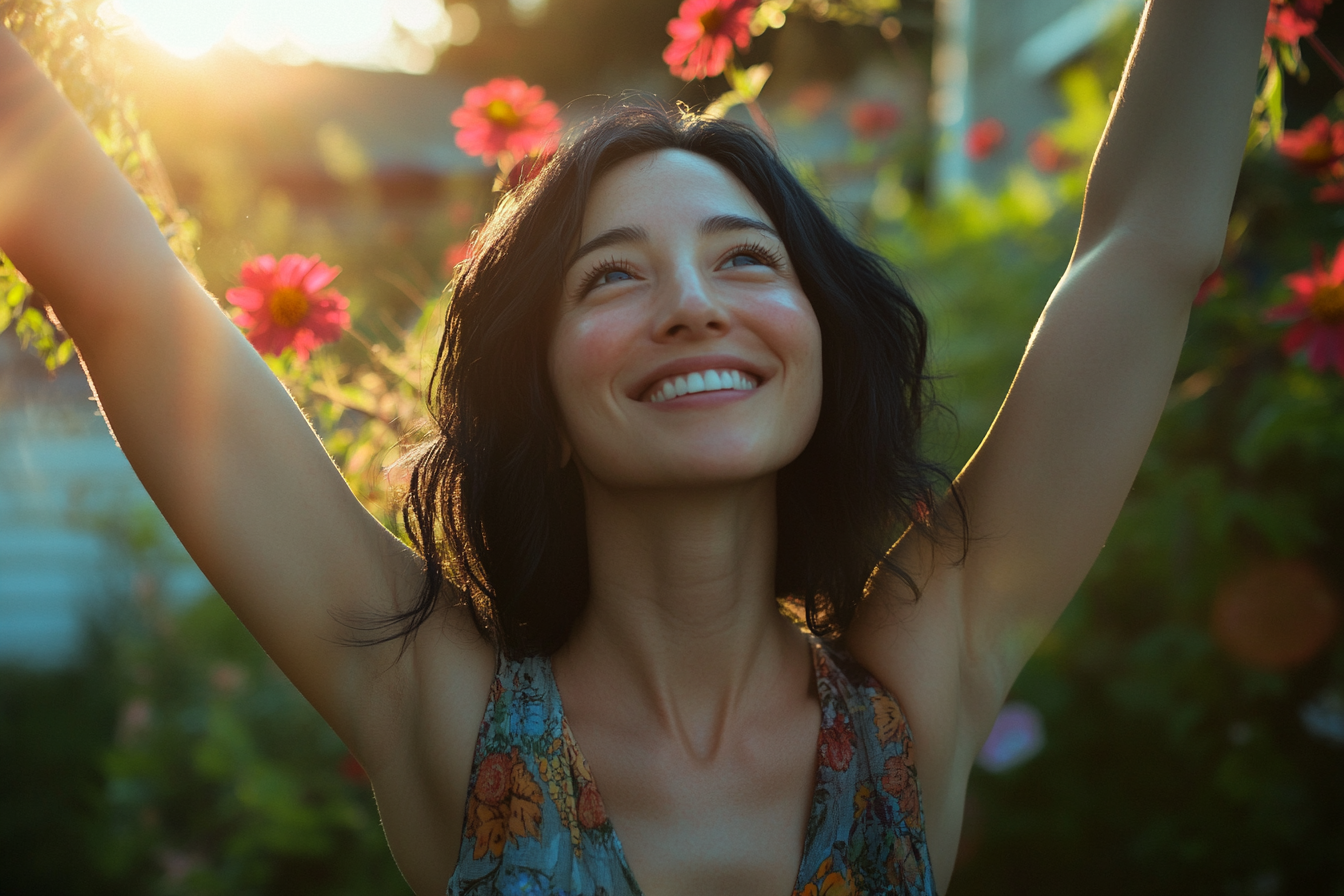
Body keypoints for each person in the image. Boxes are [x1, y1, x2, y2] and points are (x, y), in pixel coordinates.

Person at [0, 1, 1271, 893]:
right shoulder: (442, 706)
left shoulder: (915, 682)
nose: (693, 303)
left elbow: (1145, 247)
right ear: (541, 395)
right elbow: (127, 302)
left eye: (745, 258)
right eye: (613, 274)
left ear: (817, 350)